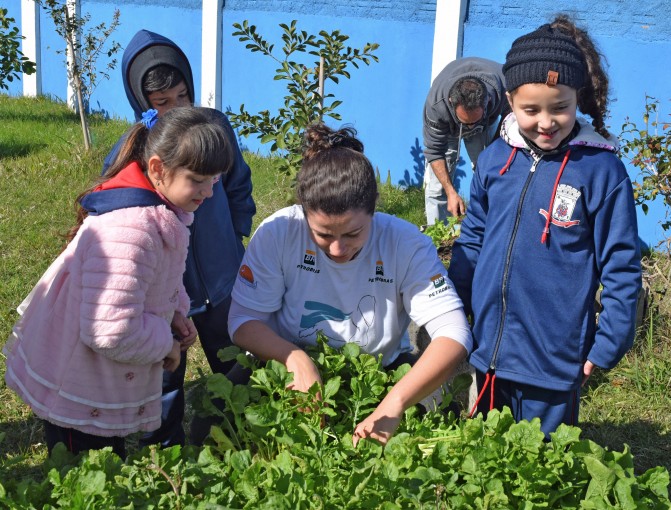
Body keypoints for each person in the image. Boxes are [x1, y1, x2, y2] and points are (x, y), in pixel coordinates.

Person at [448, 15, 642, 436]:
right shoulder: (495, 160)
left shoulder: (601, 171)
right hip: (489, 351)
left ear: (579, 99)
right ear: (509, 100)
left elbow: (621, 264)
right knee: (488, 462)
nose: (546, 122)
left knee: (544, 468)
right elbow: (473, 239)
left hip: (553, 360)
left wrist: (610, 340)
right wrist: (455, 307)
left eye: (561, 108)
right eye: (530, 109)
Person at [221, 123, 473, 445]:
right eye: (323, 234)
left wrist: (394, 403)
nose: (337, 249)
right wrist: (295, 359)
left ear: (375, 207)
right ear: (303, 210)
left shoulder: (406, 243)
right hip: (282, 362)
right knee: (214, 418)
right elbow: (243, 320)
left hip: (379, 369)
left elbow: (454, 333)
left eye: (353, 233)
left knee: (441, 420)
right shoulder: (278, 233)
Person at [4, 107, 235, 457]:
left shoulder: (162, 209)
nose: (208, 192)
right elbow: (109, 330)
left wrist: (174, 311)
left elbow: (156, 280)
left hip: (95, 379)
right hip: (77, 386)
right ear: (158, 168)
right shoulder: (131, 230)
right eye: (198, 180)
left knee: (106, 464)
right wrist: (165, 346)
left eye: (214, 180)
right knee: (84, 476)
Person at [103, 29, 257, 447]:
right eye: (162, 103)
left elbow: (239, 186)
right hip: (167, 294)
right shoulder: (135, 149)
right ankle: (166, 448)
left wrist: (234, 236)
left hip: (223, 278)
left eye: (182, 97)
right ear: (142, 102)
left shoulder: (214, 128)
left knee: (234, 360)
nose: (175, 110)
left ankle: (241, 432)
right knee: (165, 372)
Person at [422, 57, 509, 225]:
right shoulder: (436, 105)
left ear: (488, 101)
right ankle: (436, 237)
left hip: (485, 125)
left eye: (473, 121)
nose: (468, 128)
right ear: (450, 102)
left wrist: (494, 148)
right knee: (436, 187)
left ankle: (485, 227)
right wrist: (450, 191)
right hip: (448, 126)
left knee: (490, 171)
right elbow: (434, 151)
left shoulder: (505, 86)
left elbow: (511, 116)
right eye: (465, 122)